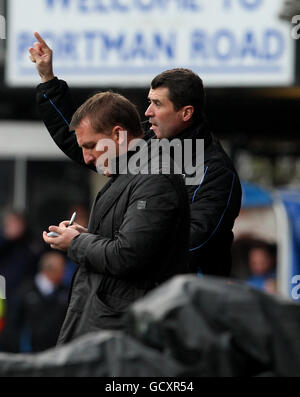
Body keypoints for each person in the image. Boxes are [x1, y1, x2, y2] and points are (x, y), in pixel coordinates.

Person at [29, 32, 241, 277]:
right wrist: (47, 80)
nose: (148, 111)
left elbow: (188, 245)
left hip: (186, 304)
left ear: (186, 113)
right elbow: (85, 143)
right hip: (139, 296)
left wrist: (89, 244)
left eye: (158, 104)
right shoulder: (150, 141)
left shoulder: (213, 171)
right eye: (149, 101)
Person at [29, 85, 190, 344]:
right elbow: (123, 243)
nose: (87, 158)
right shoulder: (128, 172)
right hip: (110, 331)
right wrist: (85, 235)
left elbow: (128, 255)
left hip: (125, 339)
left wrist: (77, 242)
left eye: (90, 146)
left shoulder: (154, 177)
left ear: (117, 135)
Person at [10, 252, 68, 352]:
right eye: (61, 270)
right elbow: (14, 322)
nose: (64, 273)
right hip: (29, 351)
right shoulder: (25, 290)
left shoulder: (65, 292)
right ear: (49, 271)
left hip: (56, 350)